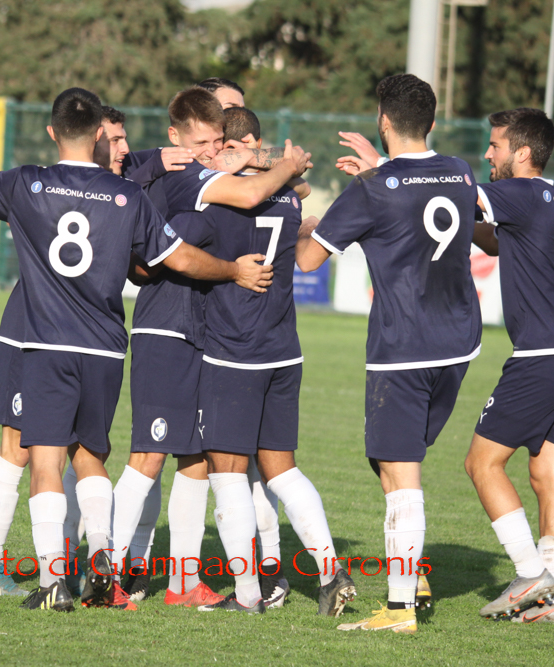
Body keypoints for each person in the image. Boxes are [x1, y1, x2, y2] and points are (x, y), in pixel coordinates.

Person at [0, 87, 273, 612]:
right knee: (79, 456)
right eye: (113, 139)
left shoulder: (26, 183)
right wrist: (232, 269)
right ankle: (88, 562)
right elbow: (177, 258)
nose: (120, 149)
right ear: (97, 134)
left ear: (52, 132)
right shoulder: (126, 196)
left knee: (45, 459)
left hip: (45, 341)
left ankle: (52, 577)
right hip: (97, 346)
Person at [108, 86, 309, 607]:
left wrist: (261, 162)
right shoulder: (184, 174)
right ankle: (106, 574)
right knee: (148, 455)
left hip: (205, 334)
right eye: (200, 142)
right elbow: (242, 200)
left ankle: (182, 581)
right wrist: (283, 167)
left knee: (196, 459)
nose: (210, 150)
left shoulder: (205, 169)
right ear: (174, 137)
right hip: (166, 327)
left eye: (217, 140)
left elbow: (287, 186)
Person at [297, 74, 482, 634]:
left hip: (404, 346)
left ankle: (400, 607)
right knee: (387, 457)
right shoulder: (460, 172)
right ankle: (415, 578)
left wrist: (302, 222)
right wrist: (380, 170)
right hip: (458, 343)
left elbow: (308, 261)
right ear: (432, 121)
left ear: (382, 121)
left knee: (400, 471)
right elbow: (417, 188)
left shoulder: (372, 190)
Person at [172, 123, 355, 615]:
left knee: (227, 473)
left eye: (222, 144)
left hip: (234, 351)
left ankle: (248, 595)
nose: (213, 152)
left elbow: (180, 253)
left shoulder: (219, 201)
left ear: (237, 147)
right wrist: (266, 159)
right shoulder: (289, 198)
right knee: (282, 469)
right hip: (284, 350)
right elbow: (298, 178)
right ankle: (330, 571)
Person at [465, 108, 554, 624]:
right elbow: (497, 241)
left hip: (542, 355)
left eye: (495, 145)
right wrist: (468, 229)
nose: (487, 154)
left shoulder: (518, 192)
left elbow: (452, 192)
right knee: (548, 478)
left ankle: (528, 575)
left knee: (482, 464)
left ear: (521, 152)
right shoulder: (547, 197)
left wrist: (387, 170)